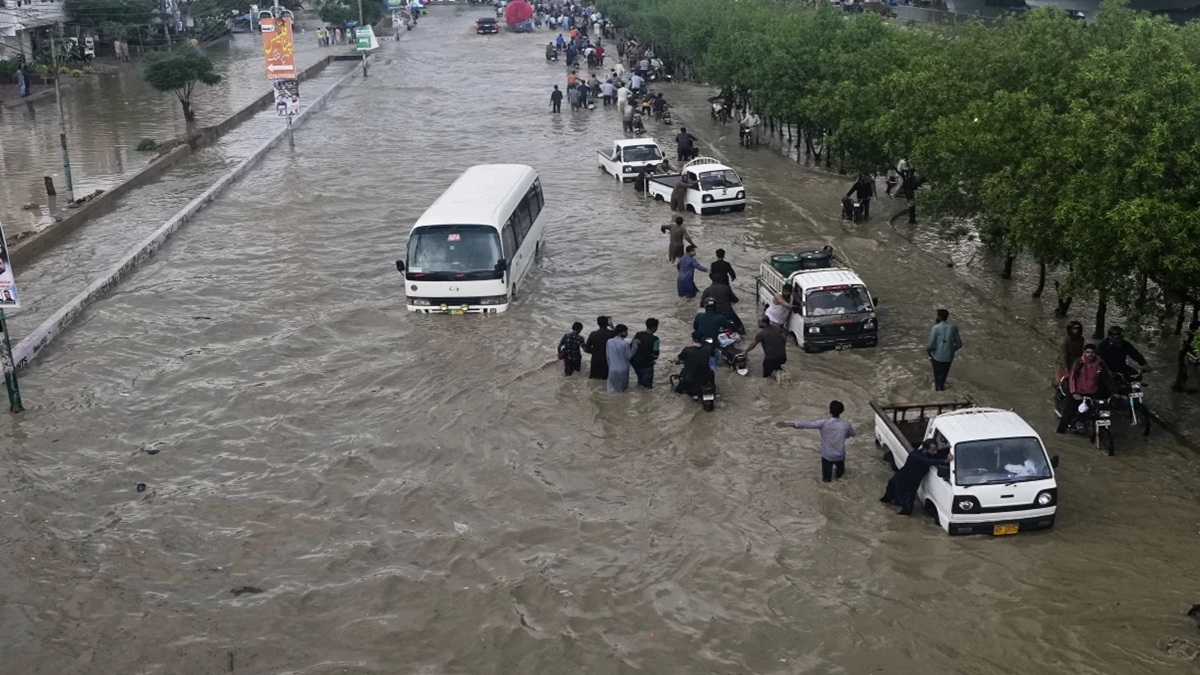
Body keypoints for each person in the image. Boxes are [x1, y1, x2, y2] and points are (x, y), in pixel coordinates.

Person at [776, 401, 856, 482]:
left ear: (830, 411)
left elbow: (807, 424)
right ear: (842, 411)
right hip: (840, 456)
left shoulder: (824, 423)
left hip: (827, 456)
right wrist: (845, 435)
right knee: (840, 478)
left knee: (826, 481)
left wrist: (788, 424)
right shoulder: (846, 425)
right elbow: (852, 434)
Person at [880, 439, 951, 515]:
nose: (935, 452)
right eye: (933, 450)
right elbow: (928, 461)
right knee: (888, 498)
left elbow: (936, 456)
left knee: (907, 508)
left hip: (912, 483)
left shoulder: (928, 454)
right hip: (901, 478)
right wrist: (946, 460)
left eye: (936, 450)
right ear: (925, 449)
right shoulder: (915, 455)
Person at [1056, 343, 1115, 433]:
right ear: (1084, 353)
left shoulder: (1100, 363)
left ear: (1096, 353)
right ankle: (1061, 431)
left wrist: (1112, 390)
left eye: (1092, 352)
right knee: (1068, 412)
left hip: (1092, 392)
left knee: (1097, 410)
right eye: (1087, 352)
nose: (1090, 354)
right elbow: (1072, 378)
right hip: (1077, 392)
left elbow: (1107, 378)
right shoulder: (1079, 362)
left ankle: (1087, 425)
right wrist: (1074, 392)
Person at [926, 308, 962, 392]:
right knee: (943, 377)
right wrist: (951, 350)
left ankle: (937, 392)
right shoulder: (953, 327)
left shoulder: (936, 328)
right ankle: (942, 389)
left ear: (939, 317)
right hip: (948, 357)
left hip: (937, 357)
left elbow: (929, 346)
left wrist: (929, 354)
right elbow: (959, 344)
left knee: (937, 377)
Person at [674, 331, 716, 395]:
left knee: (677, 391)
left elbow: (677, 359)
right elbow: (713, 355)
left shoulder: (687, 350)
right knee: (711, 372)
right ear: (702, 338)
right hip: (706, 377)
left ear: (692, 339)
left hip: (691, 378)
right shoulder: (708, 348)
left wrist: (675, 361)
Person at [629, 318, 661, 388]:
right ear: (654, 328)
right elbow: (655, 355)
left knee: (640, 381)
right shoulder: (655, 339)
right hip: (646, 365)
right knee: (647, 387)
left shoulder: (638, 334)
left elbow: (631, 346)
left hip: (635, 363)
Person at [583, 315, 615, 380]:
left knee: (594, 379)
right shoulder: (612, 333)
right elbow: (620, 336)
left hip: (596, 359)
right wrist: (612, 326)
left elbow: (586, 349)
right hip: (608, 360)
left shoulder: (593, 334)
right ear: (607, 324)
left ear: (597, 324)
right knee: (607, 379)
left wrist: (595, 351)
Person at [606, 325, 633, 393]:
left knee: (612, 390)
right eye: (625, 332)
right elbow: (629, 356)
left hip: (612, 369)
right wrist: (634, 347)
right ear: (620, 333)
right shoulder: (625, 344)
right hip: (623, 370)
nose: (627, 333)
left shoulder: (609, 341)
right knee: (623, 390)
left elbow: (608, 355)